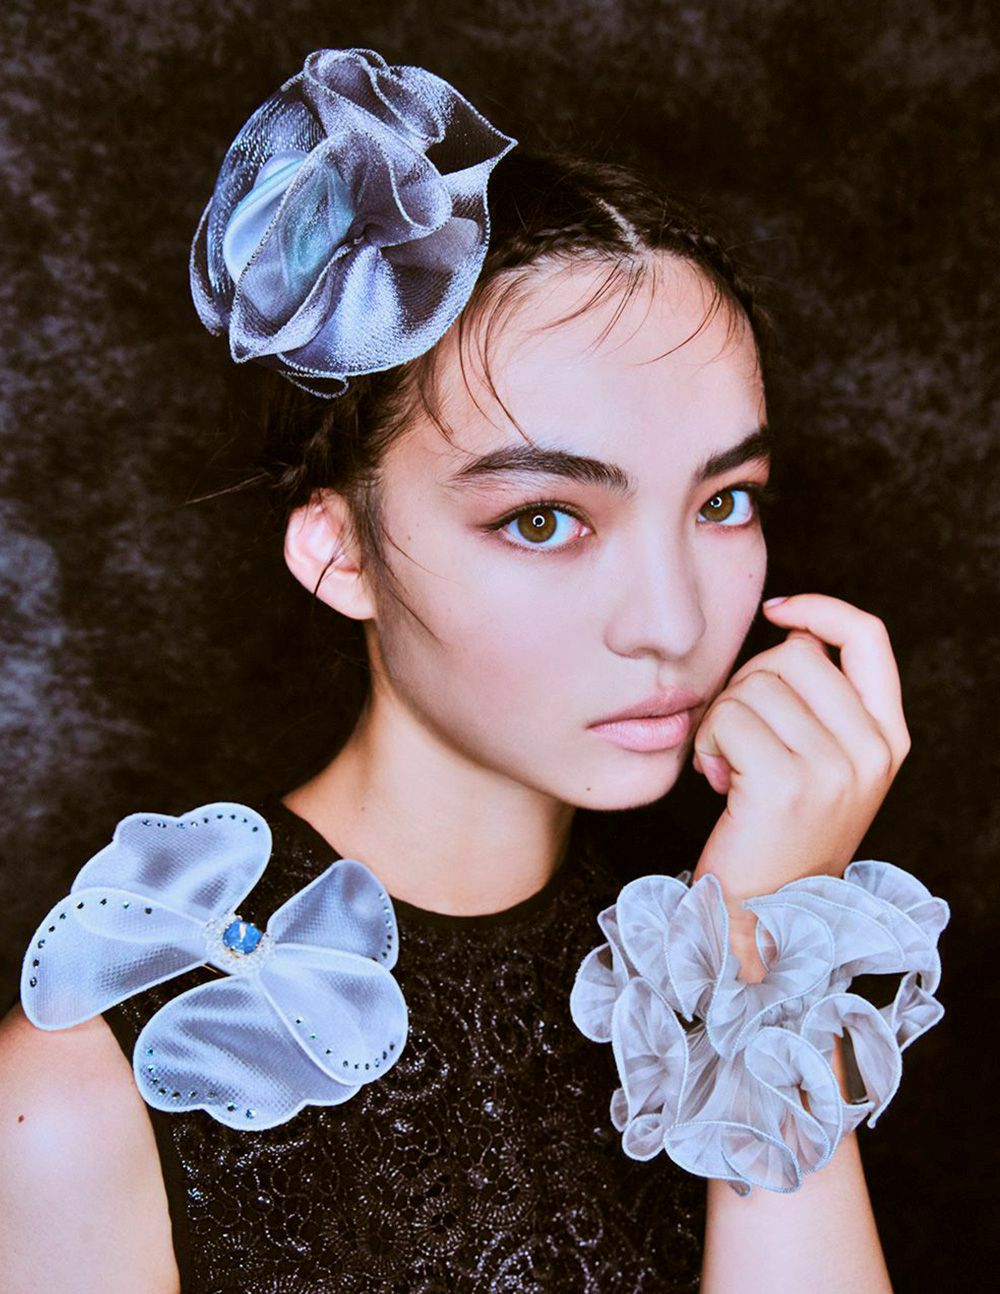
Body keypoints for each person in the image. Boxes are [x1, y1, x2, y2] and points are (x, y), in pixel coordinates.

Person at [0, 48, 944, 1293]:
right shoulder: (84, 1091)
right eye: (544, 519)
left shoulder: (734, 906)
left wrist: (759, 961)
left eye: (723, 501)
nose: (670, 622)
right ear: (338, 552)